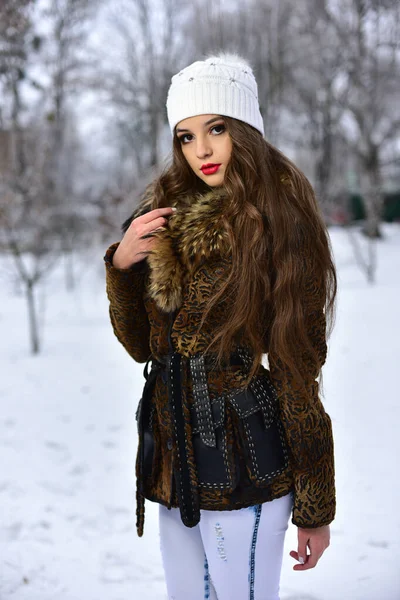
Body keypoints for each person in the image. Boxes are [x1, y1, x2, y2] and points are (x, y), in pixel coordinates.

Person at [104, 52, 337, 600]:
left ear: (246, 129)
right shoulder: (166, 214)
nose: (201, 149)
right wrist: (122, 268)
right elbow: (144, 348)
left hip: (246, 469)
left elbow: (299, 373)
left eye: (216, 128)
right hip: (172, 465)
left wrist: (315, 506)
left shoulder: (281, 222)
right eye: (185, 136)